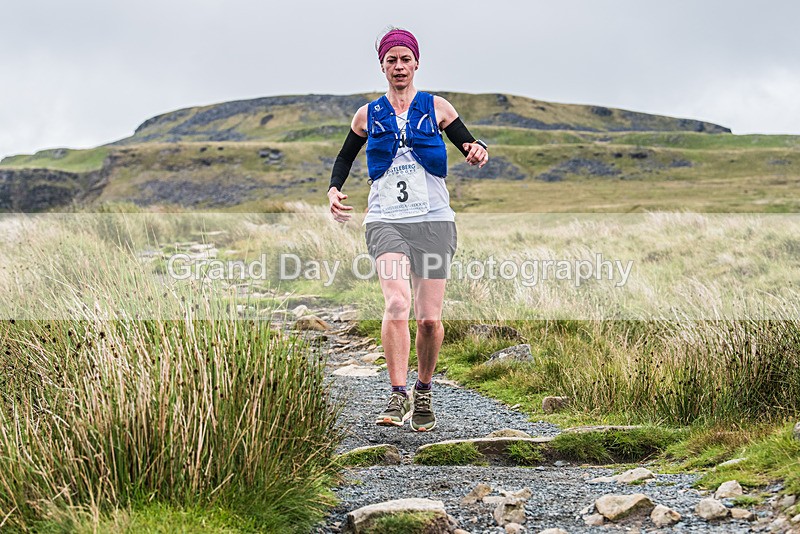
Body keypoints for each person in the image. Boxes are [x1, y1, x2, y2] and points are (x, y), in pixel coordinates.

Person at [327, 27, 488, 432]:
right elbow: (345, 157)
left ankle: (424, 390)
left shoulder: (437, 107)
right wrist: (333, 189)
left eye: (405, 59)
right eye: (391, 60)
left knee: (429, 320)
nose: (398, 66)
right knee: (398, 303)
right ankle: (397, 394)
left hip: (433, 221)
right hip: (386, 220)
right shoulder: (367, 115)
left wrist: (476, 149)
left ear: (417, 63)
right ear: (382, 66)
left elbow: (468, 142)